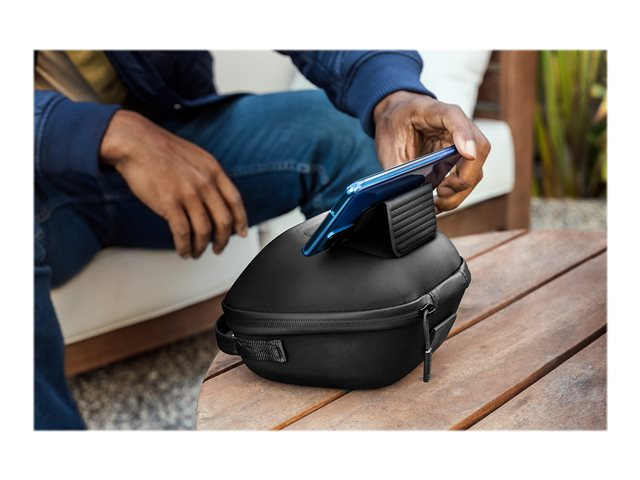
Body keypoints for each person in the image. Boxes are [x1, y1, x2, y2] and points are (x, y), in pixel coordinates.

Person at [34, 50, 490, 430]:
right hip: (40, 176)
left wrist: (391, 95)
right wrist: (113, 134)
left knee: (344, 137)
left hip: (163, 126)